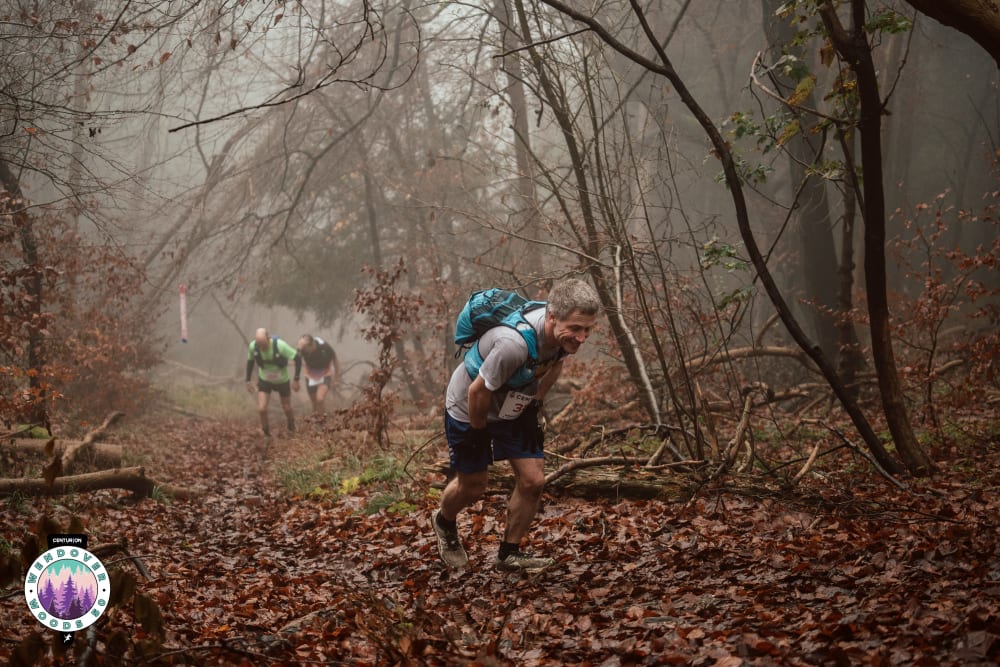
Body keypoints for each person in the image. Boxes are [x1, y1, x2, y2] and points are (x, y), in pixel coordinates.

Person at [432, 278, 600, 571]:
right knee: (474, 486)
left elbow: (555, 363)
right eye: (576, 328)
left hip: (513, 403)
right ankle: (444, 522)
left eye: (588, 329)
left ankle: (508, 554)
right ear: (551, 316)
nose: (582, 337)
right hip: (470, 406)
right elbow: (477, 391)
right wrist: (478, 434)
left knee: (533, 481)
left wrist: (534, 404)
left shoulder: (562, 339)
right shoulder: (514, 344)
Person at [245, 328, 302, 438]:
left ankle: (291, 426)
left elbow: (297, 358)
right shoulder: (253, 346)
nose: (261, 347)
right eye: (258, 344)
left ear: (268, 338)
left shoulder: (280, 345)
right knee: (262, 409)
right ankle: (266, 433)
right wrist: (248, 381)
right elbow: (250, 361)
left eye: (263, 344)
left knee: (287, 407)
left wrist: (296, 379)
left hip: (282, 380)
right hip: (265, 380)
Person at [296, 334, 341, 415]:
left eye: (305, 349)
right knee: (314, 404)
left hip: (325, 373)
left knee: (320, 399)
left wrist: (336, 378)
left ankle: (323, 419)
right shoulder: (302, 350)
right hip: (310, 375)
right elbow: (297, 360)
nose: (305, 352)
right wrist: (296, 379)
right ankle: (317, 419)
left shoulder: (324, 347)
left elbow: (335, 360)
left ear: (312, 345)